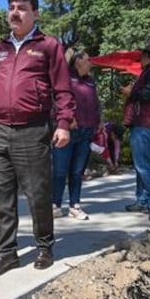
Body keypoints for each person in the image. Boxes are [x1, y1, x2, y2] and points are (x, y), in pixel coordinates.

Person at [0, 0, 74, 278]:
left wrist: (64, 123)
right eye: (12, 7)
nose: (15, 12)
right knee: (0, 196)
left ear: (35, 14)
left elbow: (63, 90)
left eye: (22, 8)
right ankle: (5, 254)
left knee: (38, 193)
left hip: (32, 130)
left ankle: (44, 246)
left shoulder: (48, 46)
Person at [120, 40, 150, 221]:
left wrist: (131, 93)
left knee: (143, 166)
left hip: (145, 123)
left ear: (146, 56)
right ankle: (142, 201)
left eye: (141, 56)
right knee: (140, 165)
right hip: (148, 123)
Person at [53, 51, 100, 220]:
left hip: (86, 132)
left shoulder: (90, 82)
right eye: (88, 60)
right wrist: (66, 120)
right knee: (59, 170)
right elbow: (57, 102)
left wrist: (98, 123)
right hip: (67, 132)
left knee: (77, 171)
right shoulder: (65, 79)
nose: (91, 64)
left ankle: (75, 205)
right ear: (78, 61)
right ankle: (55, 205)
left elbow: (96, 104)